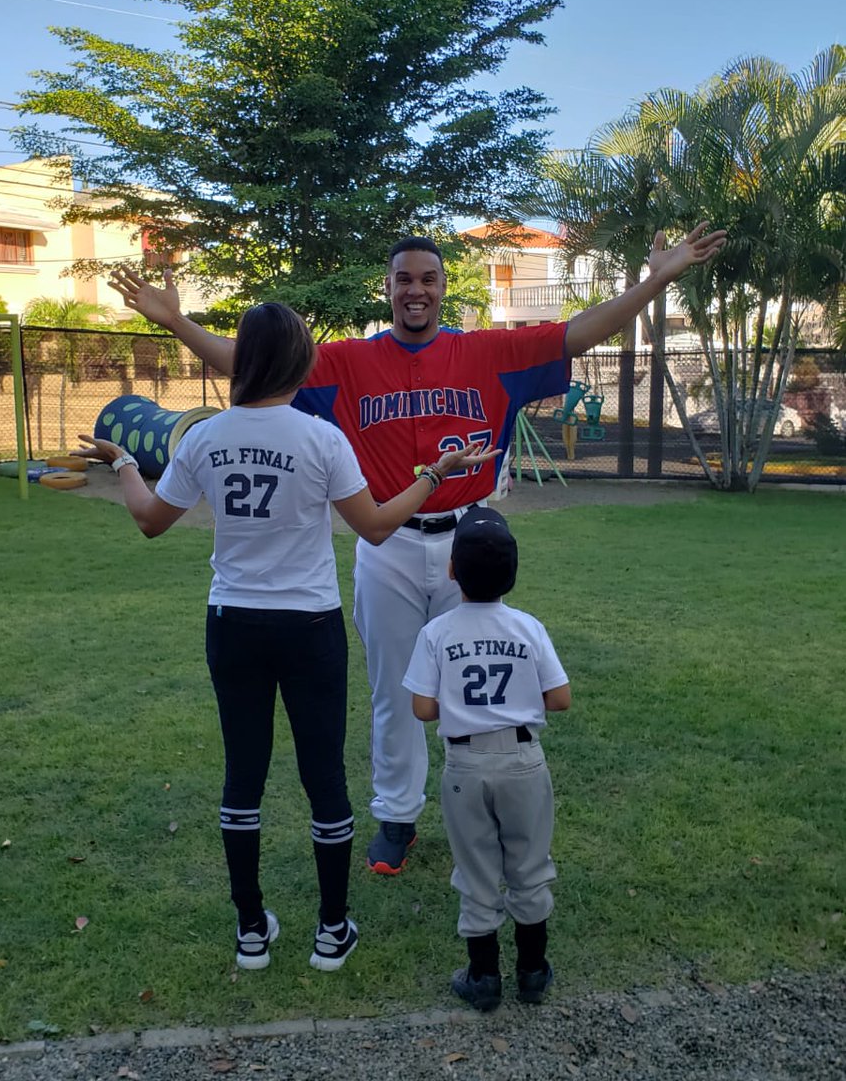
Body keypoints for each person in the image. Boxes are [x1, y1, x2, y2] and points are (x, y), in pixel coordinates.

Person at [108, 222, 725, 874]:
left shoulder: (488, 353)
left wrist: (656, 279)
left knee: (480, 681)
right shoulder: (349, 361)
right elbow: (253, 362)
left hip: (470, 538)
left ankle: (487, 810)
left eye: (428, 279)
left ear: (442, 286)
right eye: (404, 279)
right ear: (388, 288)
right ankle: (396, 818)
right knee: (396, 691)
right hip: (389, 542)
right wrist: (177, 323)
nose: (416, 290)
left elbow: (580, 332)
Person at [73, 301, 498, 973]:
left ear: (246, 359)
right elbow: (378, 527)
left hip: (234, 625)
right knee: (322, 777)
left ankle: (251, 932)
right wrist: (434, 477)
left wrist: (125, 462)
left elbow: (152, 521)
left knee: (242, 778)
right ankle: (332, 931)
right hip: (308, 626)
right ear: (299, 361)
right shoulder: (320, 439)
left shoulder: (204, 438)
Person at [402, 506, 570, 1012]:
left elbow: (423, 709)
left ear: (452, 571)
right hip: (523, 760)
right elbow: (559, 698)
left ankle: (483, 977)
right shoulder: (527, 627)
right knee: (529, 864)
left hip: (465, 767)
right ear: (513, 573)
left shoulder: (437, 633)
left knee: (476, 870)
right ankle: (532, 971)